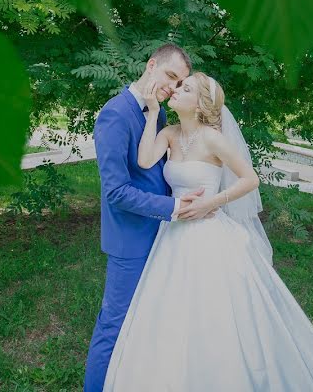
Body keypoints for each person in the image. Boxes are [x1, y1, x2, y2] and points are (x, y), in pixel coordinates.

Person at [103, 72, 313, 391]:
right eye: (179, 85)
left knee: (216, 311)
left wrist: (214, 201)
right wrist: (153, 111)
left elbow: (250, 179)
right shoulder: (168, 132)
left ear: (200, 104)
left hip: (209, 234)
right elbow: (143, 160)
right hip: (173, 235)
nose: (177, 89)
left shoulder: (213, 139)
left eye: (186, 88)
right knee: (171, 311)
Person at [83, 43, 206, 392]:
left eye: (180, 81)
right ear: (151, 65)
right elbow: (117, 192)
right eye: (170, 75)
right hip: (131, 239)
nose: (172, 86)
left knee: (148, 321)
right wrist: (173, 208)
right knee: (115, 324)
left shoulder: (158, 113)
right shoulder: (115, 114)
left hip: (163, 237)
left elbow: (156, 171)